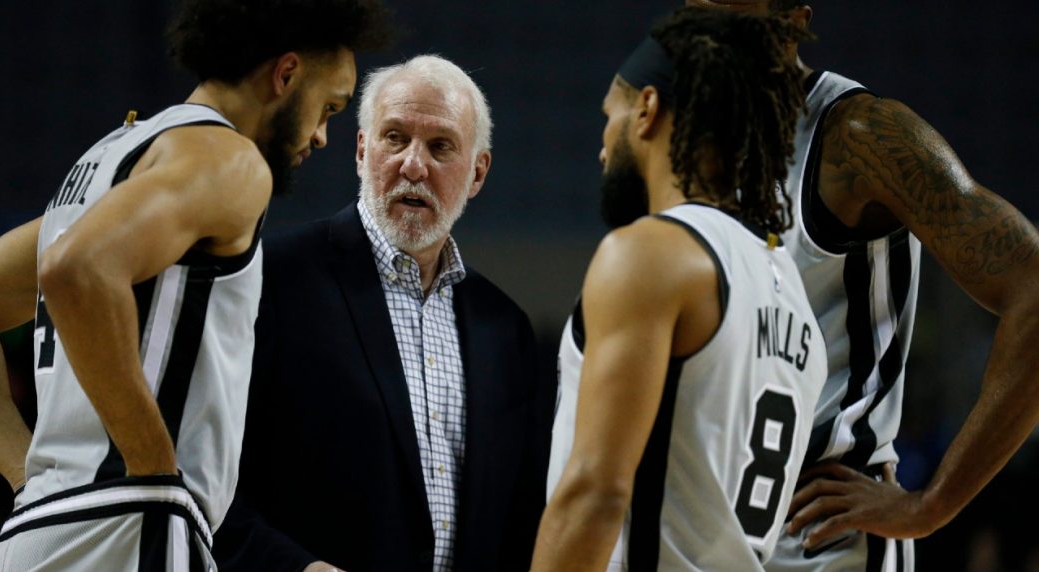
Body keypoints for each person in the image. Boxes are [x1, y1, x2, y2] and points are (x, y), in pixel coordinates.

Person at [0, 0, 391, 568]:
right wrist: (155, 471)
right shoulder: (229, 160)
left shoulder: (114, 156)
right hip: (128, 525)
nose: (323, 136)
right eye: (328, 108)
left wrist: (20, 469)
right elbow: (75, 270)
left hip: (40, 530)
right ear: (286, 75)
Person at [685, 1, 1039, 570]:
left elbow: (1034, 288)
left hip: (823, 533)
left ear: (796, 19)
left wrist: (933, 503)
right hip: (704, 523)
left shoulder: (860, 136)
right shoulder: (680, 143)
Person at [212, 54, 551, 572]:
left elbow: (524, 515)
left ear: (478, 173)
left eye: (440, 147)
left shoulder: (505, 329)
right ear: (362, 148)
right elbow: (204, 482)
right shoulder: (272, 280)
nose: (413, 165)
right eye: (395, 138)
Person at [531, 7, 827, 571]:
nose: (601, 142)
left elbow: (596, 493)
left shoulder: (650, 254)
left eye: (608, 115)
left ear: (646, 109)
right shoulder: (788, 287)